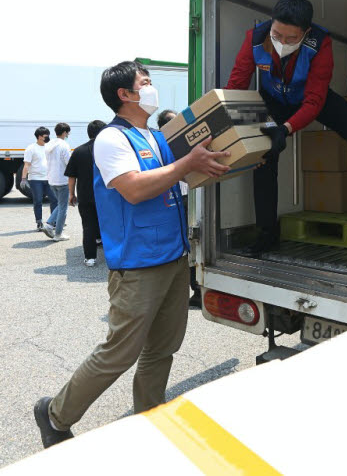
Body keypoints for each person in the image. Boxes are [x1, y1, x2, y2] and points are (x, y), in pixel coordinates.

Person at [34, 61, 230, 448]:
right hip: (138, 265)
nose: (152, 87)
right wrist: (186, 164)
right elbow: (134, 189)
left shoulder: (155, 136)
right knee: (119, 353)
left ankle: (150, 417)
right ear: (125, 95)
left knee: (163, 348)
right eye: (146, 82)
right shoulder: (112, 139)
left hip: (173, 257)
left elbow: (177, 176)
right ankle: (55, 414)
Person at [225, 0, 347, 255]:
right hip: (274, 101)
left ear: (306, 32)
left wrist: (286, 129)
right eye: (277, 35)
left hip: (310, 98)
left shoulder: (320, 43)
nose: (282, 43)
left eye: (291, 38)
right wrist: (229, 122)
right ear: (271, 24)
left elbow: (314, 100)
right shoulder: (255, 38)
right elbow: (237, 84)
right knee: (265, 156)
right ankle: (267, 232)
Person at [157, 108, 201, 308]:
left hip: (187, 196)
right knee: (187, 242)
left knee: (190, 242)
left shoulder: (175, 142)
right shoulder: (165, 145)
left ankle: (195, 289)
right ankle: (195, 289)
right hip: (178, 198)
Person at [66, 120, 105, 266]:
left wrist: (71, 194)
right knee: (108, 223)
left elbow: (72, 176)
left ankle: (90, 258)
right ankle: (112, 254)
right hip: (106, 196)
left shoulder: (79, 151)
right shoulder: (108, 149)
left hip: (85, 195)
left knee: (88, 225)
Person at [21, 127, 56, 232]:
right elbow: (27, 164)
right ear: (40, 137)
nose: (48, 138)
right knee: (38, 201)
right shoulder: (31, 148)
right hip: (35, 179)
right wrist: (23, 178)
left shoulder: (49, 147)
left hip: (49, 178)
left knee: (54, 199)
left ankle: (53, 221)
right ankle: (39, 222)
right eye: (46, 136)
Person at [44, 122, 72, 241]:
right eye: (68, 132)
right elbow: (69, 163)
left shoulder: (49, 144)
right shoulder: (64, 145)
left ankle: (49, 224)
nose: (68, 135)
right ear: (65, 132)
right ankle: (58, 234)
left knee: (60, 205)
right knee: (63, 208)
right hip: (62, 180)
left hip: (51, 180)